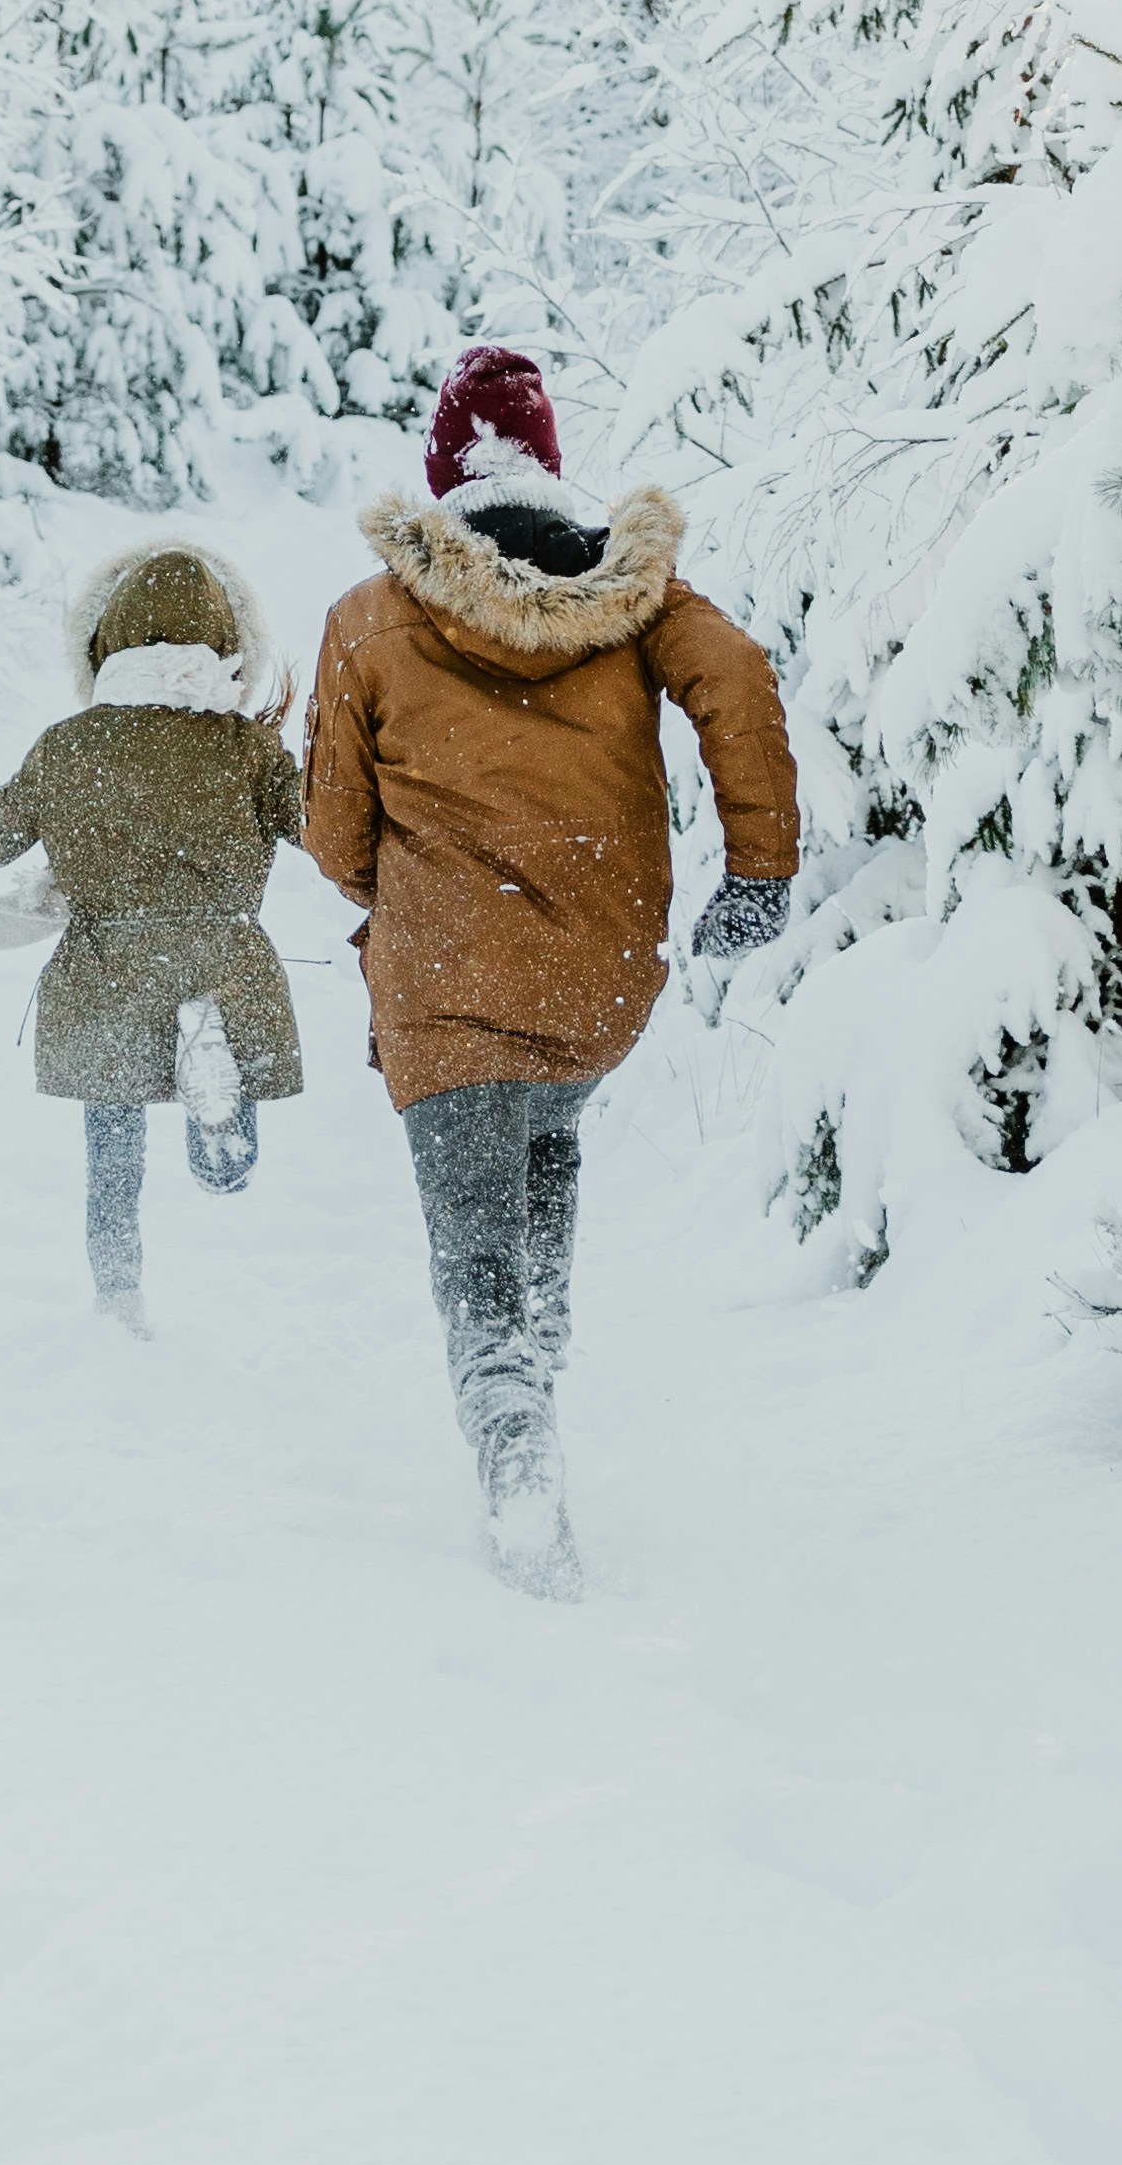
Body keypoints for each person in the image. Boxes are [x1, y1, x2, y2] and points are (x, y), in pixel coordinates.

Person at [301, 344, 799, 1585]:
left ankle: (516, 1442)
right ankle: (545, 1361)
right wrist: (760, 871)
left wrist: (399, 898)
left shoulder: (371, 618)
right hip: (600, 972)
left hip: (448, 980)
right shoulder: (633, 597)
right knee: (545, 1129)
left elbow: (333, 837)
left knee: (476, 1233)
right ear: (551, 461)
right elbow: (735, 676)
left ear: (442, 470)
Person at [0, 533, 303, 1330]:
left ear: (105, 643)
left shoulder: (70, 749)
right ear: (227, 645)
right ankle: (217, 1102)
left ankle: (119, 1299)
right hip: (222, 956)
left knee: (112, 1157)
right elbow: (329, 828)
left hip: (108, 970)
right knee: (226, 1170)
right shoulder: (249, 748)